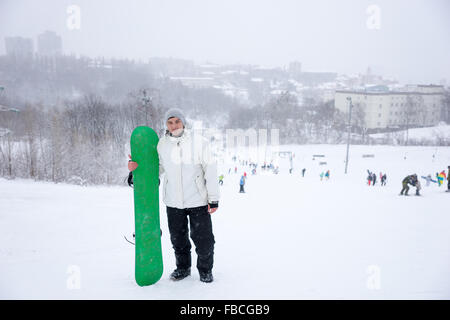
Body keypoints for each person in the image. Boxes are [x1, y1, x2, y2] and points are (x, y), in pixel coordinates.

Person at [128, 108, 219, 283]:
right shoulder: (162, 144)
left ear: (183, 122)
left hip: (197, 200)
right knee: (178, 239)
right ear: (166, 125)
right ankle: (183, 268)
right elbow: (157, 168)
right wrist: (136, 170)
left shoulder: (199, 142)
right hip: (173, 201)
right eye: (170, 122)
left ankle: (205, 270)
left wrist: (213, 199)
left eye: (177, 121)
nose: (174, 125)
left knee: (204, 240)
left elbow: (211, 170)